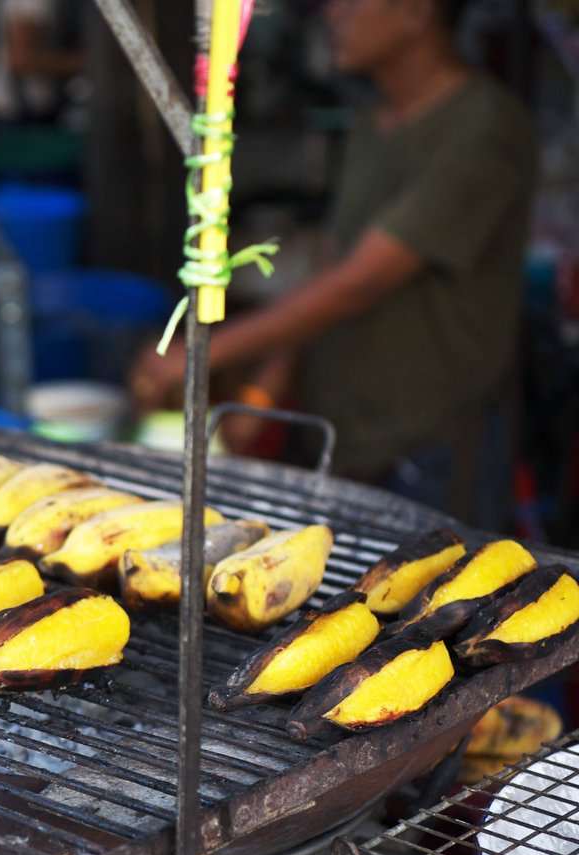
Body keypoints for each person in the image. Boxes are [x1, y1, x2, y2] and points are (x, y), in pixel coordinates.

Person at [127, 0, 535, 526]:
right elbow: (331, 265)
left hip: (431, 447)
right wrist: (266, 386)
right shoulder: (372, 123)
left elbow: (362, 281)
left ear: (415, 11)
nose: (330, 14)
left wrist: (203, 354)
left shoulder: (485, 126)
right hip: (348, 436)